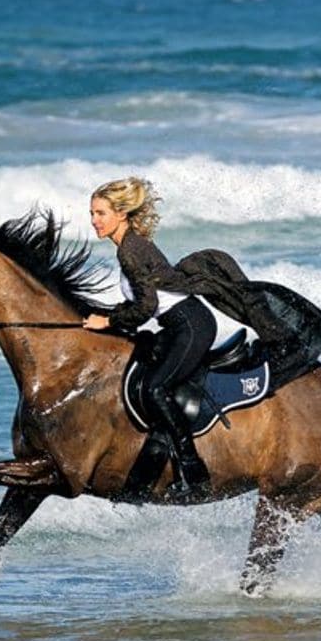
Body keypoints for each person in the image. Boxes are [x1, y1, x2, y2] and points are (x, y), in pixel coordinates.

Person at [81, 177, 216, 499]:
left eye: (100, 213)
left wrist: (109, 321)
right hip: (176, 325)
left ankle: (193, 473)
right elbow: (142, 300)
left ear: (121, 214)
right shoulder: (130, 245)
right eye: (91, 213)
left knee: (156, 388)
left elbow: (147, 306)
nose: (94, 221)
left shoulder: (131, 249)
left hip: (191, 325)